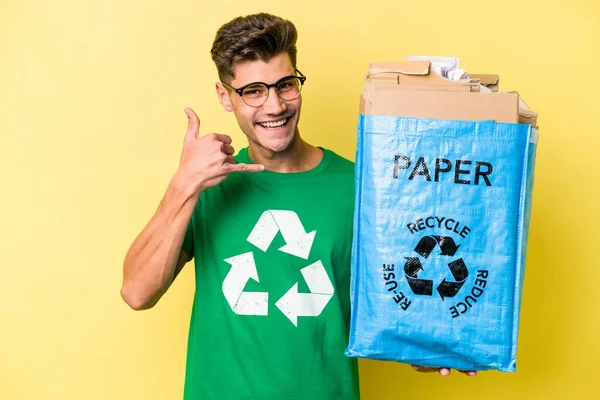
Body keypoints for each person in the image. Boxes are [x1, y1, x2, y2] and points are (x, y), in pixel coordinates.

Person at [121, 12, 475, 400]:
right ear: (225, 96)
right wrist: (183, 184)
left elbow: (399, 294)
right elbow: (138, 292)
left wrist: (431, 341)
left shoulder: (362, 189)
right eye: (254, 91)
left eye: (285, 85)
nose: (275, 106)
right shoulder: (204, 186)